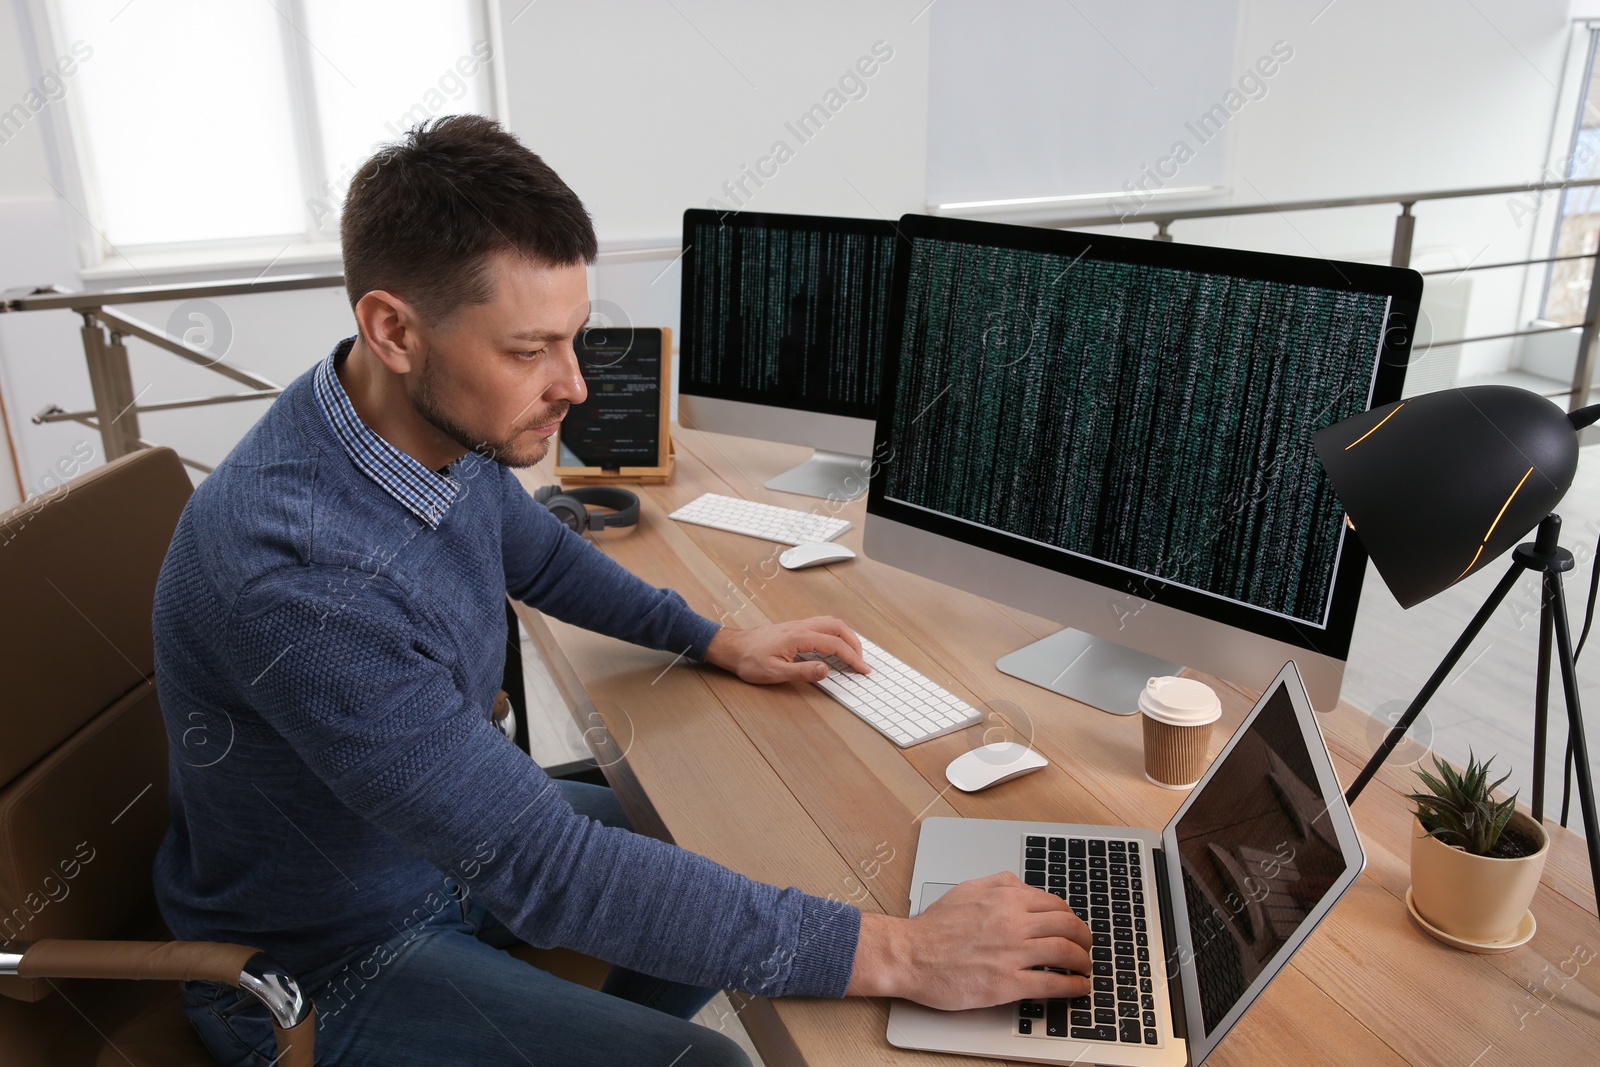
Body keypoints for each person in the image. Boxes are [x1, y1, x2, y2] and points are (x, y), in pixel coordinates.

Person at [151, 115, 1091, 1067]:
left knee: (713, 835)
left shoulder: (406, 419)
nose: (576, 385)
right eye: (530, 351)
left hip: (427, 853)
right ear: (393, 329)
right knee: (709, 1060)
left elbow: (541, 556)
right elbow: (543, 870)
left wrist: (716, 639)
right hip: (322, 960)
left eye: (576, 338)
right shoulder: (304, 575)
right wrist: (905, 953)